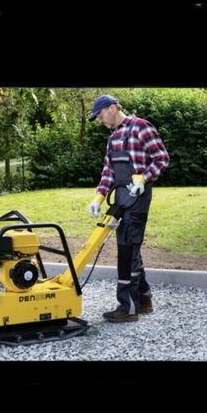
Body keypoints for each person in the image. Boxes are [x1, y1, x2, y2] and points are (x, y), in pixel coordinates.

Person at [87, 94, 170, 322]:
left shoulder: (141, 127)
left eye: (101, 114)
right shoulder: (113, 138)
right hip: (121, 197)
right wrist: (98, 198)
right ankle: (144, 299)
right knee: (130, 248)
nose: (100, 120)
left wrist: (143, 179)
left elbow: (162, 158)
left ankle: (128, 308)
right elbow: (108, 172)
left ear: (113, 108)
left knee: (127, 249)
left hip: (139, 196)